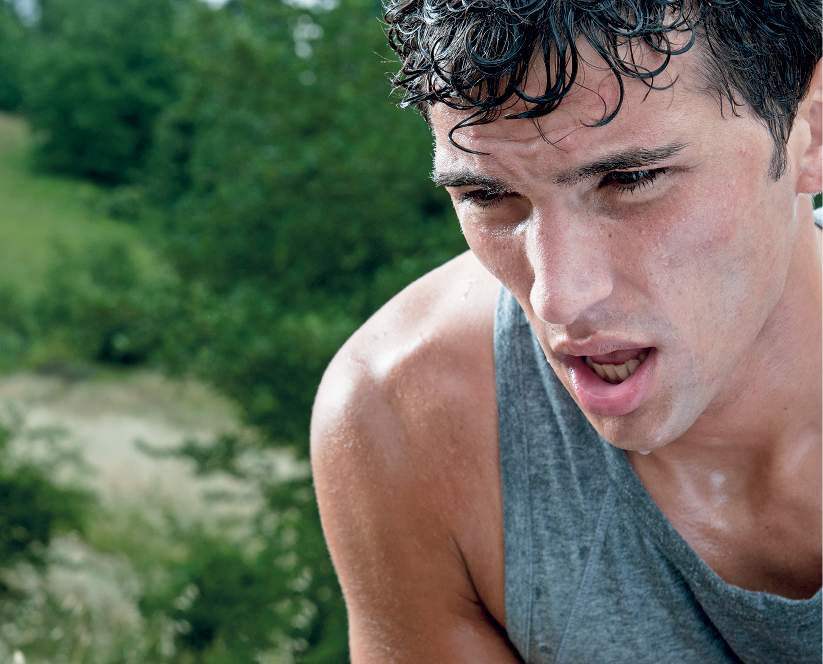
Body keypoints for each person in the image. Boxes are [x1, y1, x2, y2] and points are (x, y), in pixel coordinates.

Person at [310, 1, 823, 661]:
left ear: (811, 128)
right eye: (489, 198)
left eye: (632, 179)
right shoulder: (408, 412)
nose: (560, 297)